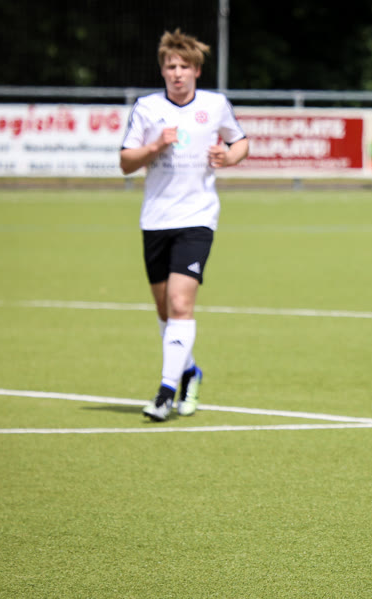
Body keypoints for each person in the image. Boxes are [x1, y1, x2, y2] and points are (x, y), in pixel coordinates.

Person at [120, 29, 249, 422]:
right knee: (165, 311)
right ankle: (190, 372)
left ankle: (165, 393)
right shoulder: (147, 108)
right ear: (162, 71)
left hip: (198, 218)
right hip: (156, 219)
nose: (177, 73)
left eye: (184, 67)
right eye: (170, 66)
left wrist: (228, 157)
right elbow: (126, 162)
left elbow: (240, 142)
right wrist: (155, 146)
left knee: (180, 303)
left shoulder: (215, 105)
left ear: (197, 71)